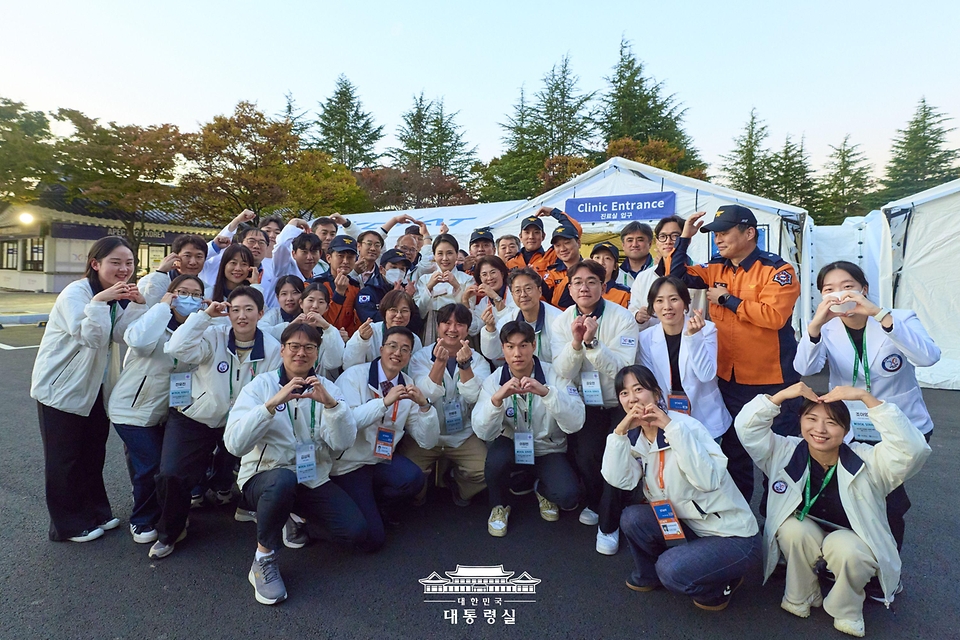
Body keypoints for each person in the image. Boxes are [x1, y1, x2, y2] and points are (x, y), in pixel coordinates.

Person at [735, 383, 931, 637]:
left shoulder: (868, 460)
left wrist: (865, 397)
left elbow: (912, 450)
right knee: (791, 529)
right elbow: (746, 428)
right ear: (800, 421)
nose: (819, 429)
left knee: (845, 547)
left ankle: (846, 608)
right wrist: (781, 396)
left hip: (853, 538)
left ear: (846, 429)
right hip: (808, 526)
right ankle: (802, 593)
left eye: (831, 422)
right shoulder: (784, 451)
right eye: (812, 419)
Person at [795, 261, 940, 555]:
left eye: (848, 286)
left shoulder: (898, 318)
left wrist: (880, 316)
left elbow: (928, 357)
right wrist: (813, 327)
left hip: (900, 426)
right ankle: (855, 558)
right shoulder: (828, 328)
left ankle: (884, 566)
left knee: (885, 496)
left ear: (864, 289)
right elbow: (804, 367)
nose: (839, 295)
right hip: (851, 428)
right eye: (829, 290)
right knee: (865, 493)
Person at [667, 206, 802, 502]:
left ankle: (778, 525)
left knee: (778, 458)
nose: (718, 238)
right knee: (734, 457)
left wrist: (728, 300)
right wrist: (685, 239)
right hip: (728, 381)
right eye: (715, 233)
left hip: (772, 382)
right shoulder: (716, 267)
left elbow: (774, 316)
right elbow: (674, 277)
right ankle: (739, 524)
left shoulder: (778, 270)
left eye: (724, 232)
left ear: (749, 233)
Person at [225, 322, 363, 605]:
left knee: (359, 534)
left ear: (316, 353)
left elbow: (343, 442)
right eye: (294, 347)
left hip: (311, 478)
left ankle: (292, 517)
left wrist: (332, 407)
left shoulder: (329, 388)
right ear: (283, 350)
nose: (301, 353)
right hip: (264, 477)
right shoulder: (260, 386)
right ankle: (264, 559)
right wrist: (271, 404)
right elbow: (234, 443)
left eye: (309, 348)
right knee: (282, 482)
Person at [603, 365, 761, 611]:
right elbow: (620, 480)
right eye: (624, 393)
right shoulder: (637, 437)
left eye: (639, 389)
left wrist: (671, 428)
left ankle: (721, 583)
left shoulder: (687, 426)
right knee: (632, 517)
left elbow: (706, 480)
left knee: (671, 568)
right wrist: (619, 433)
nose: (632, 398)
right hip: (691, 523)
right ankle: (650, 575)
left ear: (656, 395)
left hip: (731, 535)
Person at [31, 237, 148, 542]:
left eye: (129, 263)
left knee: (92, 453)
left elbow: (122, 335)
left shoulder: (113, 295)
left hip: (96, 386)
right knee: (64, 458)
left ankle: (97, 511)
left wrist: (135, 307)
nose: (124, 269)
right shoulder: (77, 292)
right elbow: (91, 337)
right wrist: (98, 303)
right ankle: (67, 525)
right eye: (116, 262)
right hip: (61, 387)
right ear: (95, 264)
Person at [153, 286, 282, 559]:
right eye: (235, 310)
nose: (242, 316)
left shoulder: (271, 349)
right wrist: (203, 316)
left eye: (249, 309)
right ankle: (172, 530)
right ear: (227, 312)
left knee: (267, 459)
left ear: (261, 313)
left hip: (238, 420)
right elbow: (175, 347)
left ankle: (246, 503)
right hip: (195, 415)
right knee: (171, 473)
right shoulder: (213, 334)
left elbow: (271, 387)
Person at [108, 275, 206, 544]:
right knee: (150, 464)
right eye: (181, 292)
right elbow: (137, 342)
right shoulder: (155, 320)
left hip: (166, 413)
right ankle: (141, 520)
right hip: (131, 410)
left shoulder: (198, 329)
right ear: (171, 294)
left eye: (195, 294)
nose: (188, 298)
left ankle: (167, 513)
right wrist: (161, 307)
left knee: (166, 468)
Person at [551, 260, 639, 553]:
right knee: (587, 457)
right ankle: (596, 501)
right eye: (577, 282)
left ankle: (609, 525)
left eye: (591, 281)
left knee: (614, 458)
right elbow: (562, 370)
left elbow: (624, 370)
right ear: (570, 287)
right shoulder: (562, 321)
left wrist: (593, 345)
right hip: (585, 402)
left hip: (618, 402)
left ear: (604, 286)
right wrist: (575, 344)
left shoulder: (622, 318)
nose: (584, 287)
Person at [333, 327, 440, 551]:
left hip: (380, 460)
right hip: (350, 465)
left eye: (404, 349)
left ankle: (377, 504)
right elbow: (347, 424)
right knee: (373, 540)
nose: (397, 353)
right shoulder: (354, 376)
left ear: (410, 356)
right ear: (381, 349)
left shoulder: (408, 384)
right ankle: (312, 524)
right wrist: (383, 402)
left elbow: (427, 441)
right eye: (392, 346)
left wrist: (425, 407)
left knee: (414, 479)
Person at [473, 322, 585, 537]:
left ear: (534, 346)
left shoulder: (555, 374)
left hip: (548, 448)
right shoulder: (493, 381)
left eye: (524, 345)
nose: (517, 353)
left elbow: (575, 423)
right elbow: (483, 432)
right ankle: (499, 506)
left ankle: (541, 489)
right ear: (503, 349)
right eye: (510, 346)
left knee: (569, 496)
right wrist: (497, 400)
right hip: (512, 445)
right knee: (496, 460)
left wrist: (547, 394)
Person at [406, 304, 492, 507]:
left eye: (460, 324)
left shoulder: (478, 360)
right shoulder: (420, 357)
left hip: (462, 435)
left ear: (468, 329)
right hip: (426, 435)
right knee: (408, 476)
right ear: (438, 327)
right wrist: (438, 363)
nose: (452, 329)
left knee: (484, 471)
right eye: (447, 323)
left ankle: (458, 484)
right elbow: (424, 395)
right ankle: (421, 492)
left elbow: (474, 397)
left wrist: (465, 366)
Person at [638, 277, 731, 441]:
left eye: (674, 299)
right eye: (659, 301)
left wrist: (693, 338)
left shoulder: (706, 329)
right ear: (653, 307)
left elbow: (706, 375)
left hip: (705, 416)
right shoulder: (645, 338)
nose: (667, 307)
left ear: (686, 304)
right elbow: (650, 384)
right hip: (667, 417)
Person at [629, 215, 707, 330]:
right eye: (663, 236)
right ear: (657, 242)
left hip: (693, 339)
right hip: (653, 343)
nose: (668, 242)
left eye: (675, 236)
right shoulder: (644, 277)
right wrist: (638, 317)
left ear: (687, 239)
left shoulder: (700, 273)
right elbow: (632, 312)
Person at [480, 268, 563, 365]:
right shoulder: (508, 320)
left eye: (528, 289)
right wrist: (490, 330)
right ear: (512, 295)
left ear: (539, 291)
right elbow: (492, 353)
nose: (523, 295)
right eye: (517, 291)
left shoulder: (558, 319)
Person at [414, 234, 473, 344]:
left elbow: (470, 311)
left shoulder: (467, 279)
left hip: (458, 328)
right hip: (431, 327)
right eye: (440, 253)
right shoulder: (425, 279)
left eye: (450, 253)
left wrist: (456, 286)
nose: (445, 258)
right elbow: (420, 312)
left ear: (456, 255)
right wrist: (429, 286)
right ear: (434, 256)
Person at [343, 290, 423, 369]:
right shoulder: (370, 331)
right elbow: (348, 365)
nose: (398, 315)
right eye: (393, 310)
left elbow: (416, 371)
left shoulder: (415, 340)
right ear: (384, 312)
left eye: (404, 311)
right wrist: (361, 340)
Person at [506, 207, 583, 276]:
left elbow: (575, 230)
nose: (531, 237)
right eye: (527, 232)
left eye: (536, 232)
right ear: (520, 236)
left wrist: (553, 212)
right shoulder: (511, 263)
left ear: (543, 236)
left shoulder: (552, 255)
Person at [310, 235, 362, 336]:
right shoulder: (314, 284)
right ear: (329, 258)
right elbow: (317, 320)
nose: (346, 261)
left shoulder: (355, 286)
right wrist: (339, 293)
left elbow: (354, 320)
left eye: (350, 257)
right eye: (340, 256)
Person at [138, 234, 210, 306]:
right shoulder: (149, 281)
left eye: (199, 257)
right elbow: (147, 306)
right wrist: (160, 272)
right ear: (174, 256)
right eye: (187, 256)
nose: (193, 262)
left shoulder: (207, 290)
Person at [355, 248, 415, 325]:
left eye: (402, 269)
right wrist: (393, 299)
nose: (398, 272)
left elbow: (415, 323)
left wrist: (408, 299)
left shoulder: (406, 290)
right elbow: (370, 319)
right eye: (393, 267)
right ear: (381, 269)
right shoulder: (368, 292)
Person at [462, 255, 515, 336]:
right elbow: (473, 329)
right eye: (484, 274)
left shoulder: (514, 293)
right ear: (480, 278)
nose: (489, 278)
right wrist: (465, 301)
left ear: (502, 273)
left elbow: (512, 323)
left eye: (493, 272)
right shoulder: (485, 301)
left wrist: (495, 297)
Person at [542, 223, 584, 309]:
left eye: (567, 243)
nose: (562, 249)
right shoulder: (552, 273)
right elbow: (546, 300)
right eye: (557, 245)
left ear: (578, 243)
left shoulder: (590, 270)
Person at [589, 242, 632, 308]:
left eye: (607, 258)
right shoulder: (582, 289)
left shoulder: (624, 293)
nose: (601, 262)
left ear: (615, 266)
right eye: (597, 257)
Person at [615, 222, 656, 288]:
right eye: (630, 240)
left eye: (640, 240)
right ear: (623, 245)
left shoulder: (659, 269)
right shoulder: (615, 274)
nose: (634, 244)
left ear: (650, 244)